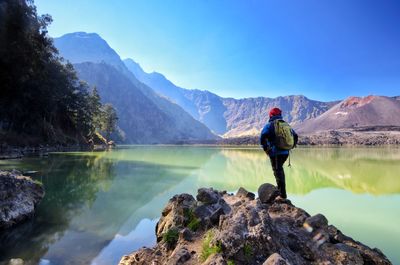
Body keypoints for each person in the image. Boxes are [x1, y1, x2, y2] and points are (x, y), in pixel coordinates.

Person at [260, 107, 298, 199]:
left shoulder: (270, 125)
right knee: (279, 170)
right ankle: (280, 189)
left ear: (271, 115)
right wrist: (291, 147)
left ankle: (282, 195)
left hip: (275, 153)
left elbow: (262, 137)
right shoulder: (286, 124)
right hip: (285, 152)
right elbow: (295, 136)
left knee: (278, 171)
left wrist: (266, 149)